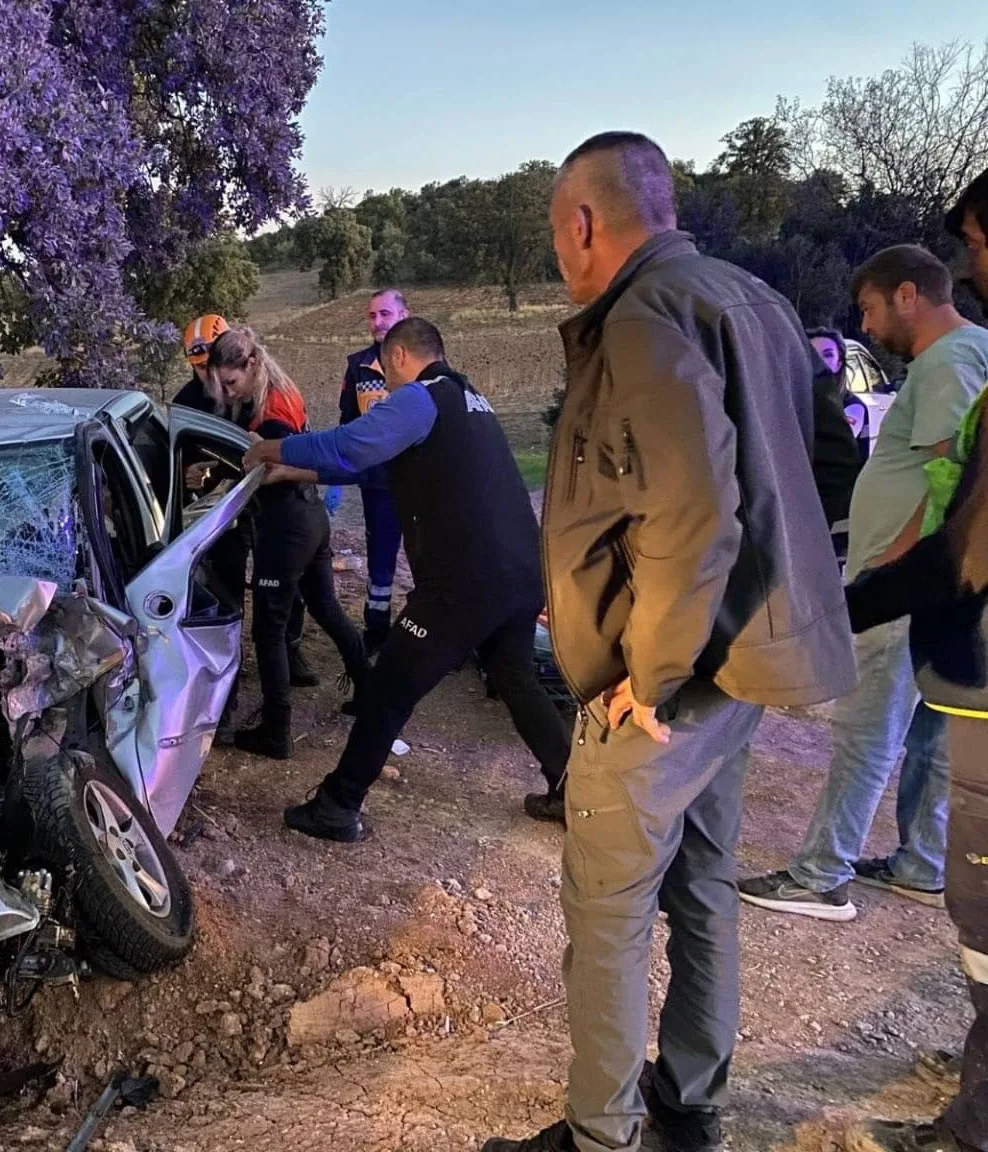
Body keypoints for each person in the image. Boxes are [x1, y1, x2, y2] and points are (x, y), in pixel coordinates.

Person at [483, 132, 855, 1152]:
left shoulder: (642, 318)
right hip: (734, 668)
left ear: (584, 225)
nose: (562, 257)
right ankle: (691, 1102)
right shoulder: (755, 299)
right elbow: (831, 453)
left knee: (606, 914)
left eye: (559, 237)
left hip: (668, 681)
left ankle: (603, 1133)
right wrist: (762, 594)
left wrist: (650, 673)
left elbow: (690, 511)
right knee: (702, 887)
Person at [243, 317, 573, 832]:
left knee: (387, 686)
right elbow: (375, 467)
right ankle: (568, 788)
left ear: (400, 356)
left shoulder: (419, 398)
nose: (381, 379)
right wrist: (297, 471)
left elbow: (352, 443)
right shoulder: (468, 399)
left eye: (382, 366)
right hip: (520, 575)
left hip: (464, 585)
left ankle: (338, 804)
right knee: (516, 679)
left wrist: (275, 448)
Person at [740, 245, 988, 922]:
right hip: (949, 589)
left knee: (867, 729)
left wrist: (891, 570)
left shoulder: (951, 362)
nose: (868, 326)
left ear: (908, 294)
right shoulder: (971, 354)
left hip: (911, 587)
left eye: (872, 308)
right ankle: (921, 862)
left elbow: (953, 483)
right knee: (934, 729)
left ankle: (822, 875)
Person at [842, 165, 988, 1152]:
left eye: (980, 245)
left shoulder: (961, 364)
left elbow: (963, 540)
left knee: (981, 907)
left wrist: (844, 604)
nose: (977, 271)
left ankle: (974, 1125)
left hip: (963, 646)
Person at [205, 327, 368, 758]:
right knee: (326, 605)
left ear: (251, 364)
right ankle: (369, 689)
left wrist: (213, 473)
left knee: (268, 629)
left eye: (231, 381)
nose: (226, 390)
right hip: (311, 516)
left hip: (287, 524)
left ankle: (276, 731)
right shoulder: (281, 389)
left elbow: (263, 467)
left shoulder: (271, 412)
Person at [174, 315, 316, 715]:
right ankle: (228, 691)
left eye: (212, 364)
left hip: (268, 500)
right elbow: (186, 456)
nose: (209, 376)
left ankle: (292, 653)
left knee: (286, 586)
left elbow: (267, 448)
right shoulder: (189, 401)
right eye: (199, 366)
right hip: (223, 510)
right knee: (229, 591)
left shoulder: (256, 394)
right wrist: (192, 477)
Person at [340, 289, 410, 651]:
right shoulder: (358, 366)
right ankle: (377, 630)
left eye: (384, 313)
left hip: (419, 483)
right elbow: (348, 424)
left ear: (404, 315)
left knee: (428, 559)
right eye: (371, 315)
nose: (377, 322)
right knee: (380, 565)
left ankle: (434, 632)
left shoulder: (421, 363)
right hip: (378, 485)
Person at [807, 326, 864, 533]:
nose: (820, 361)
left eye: (828, 354)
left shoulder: (852, 405)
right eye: (813, 355)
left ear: (840, 361)